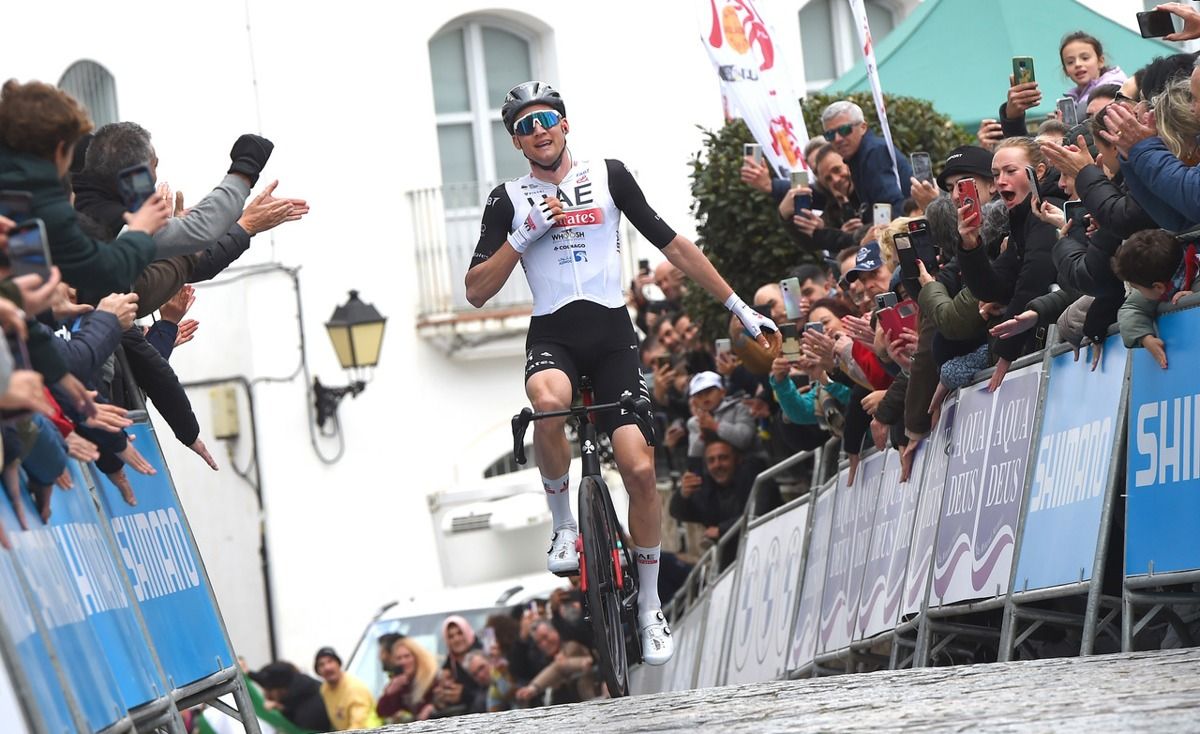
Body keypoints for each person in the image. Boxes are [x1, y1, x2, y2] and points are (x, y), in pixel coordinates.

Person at [464, 81, 777, 666]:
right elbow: (477, 290)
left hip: (612, 337)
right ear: (516, 140)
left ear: (564, 124)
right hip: (553, 333)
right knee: (548, 403)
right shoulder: (507, 199)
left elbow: (673, 244)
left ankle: (650, 606)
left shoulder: (609, 176)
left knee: (637, 466)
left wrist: (739, 305)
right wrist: (521, 235)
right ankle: (564, 526)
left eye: (547, 119)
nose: (539, 131)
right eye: (526, 126)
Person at [1113, 228, 1199, 369]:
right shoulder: (1159, 286)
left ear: (1158, 287)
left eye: (1138, 288)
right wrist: (1145, 338)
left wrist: (1194, 299)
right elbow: (1131, 308)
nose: (1137, 292)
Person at [669, 438, 779, 541]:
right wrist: (683, 494)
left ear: (737, 459)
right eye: (711, 460)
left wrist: (722, 530)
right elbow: (679, 513)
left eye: (723, 458)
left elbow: (761, 511)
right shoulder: (707, 487)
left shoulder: (754, 474)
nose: (717, 465)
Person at [819, 100, 912, 214]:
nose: (837, 139)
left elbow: (890, 207)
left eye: (844, 130)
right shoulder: (857, 157)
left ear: (863, 127)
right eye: (830, 135)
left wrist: (872, 230)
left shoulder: (873, 152)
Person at [514, 620, 597, 705]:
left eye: (545, 637)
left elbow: (559, 666)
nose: (544, 644)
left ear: (555, 631)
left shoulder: (572, 643)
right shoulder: (541, 660)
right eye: (539, 642)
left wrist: (533, 688)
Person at [685, 371, 757, 460]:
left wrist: (716, 426)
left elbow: (744, 440)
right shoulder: (694, 422)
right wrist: (702, 436)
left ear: (722, 392)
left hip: (747, 461)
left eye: (709, 391)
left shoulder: (739, 408)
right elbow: (696, 456)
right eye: (699, 395)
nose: (704, 397)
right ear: (694, 401)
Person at [251, 661, 333, 733]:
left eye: (268, 692)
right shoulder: (303, 686)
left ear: (280, 690)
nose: (267, 696)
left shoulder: (308, 700)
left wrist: (281, 708)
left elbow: (303, 722)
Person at [1059, 31, 1126, 119]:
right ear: (1065, 70)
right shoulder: (1072, 100)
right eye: (1070, 62)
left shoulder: (1116, 88)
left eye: (1085, 58)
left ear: (1100, 61)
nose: (1077, 64)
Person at [313, 647, 379, 731]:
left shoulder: (354, 688)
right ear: (318, 671)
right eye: (321, 665)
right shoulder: (324, 689)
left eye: (330, 661)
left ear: (338, 664)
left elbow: (358, 726)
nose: (327, 667)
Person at [376, 636, 438, 723]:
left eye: (407, 656)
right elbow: (381, 712)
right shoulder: (399, 684)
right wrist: (390, 692)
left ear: (417, 657)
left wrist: (432, 708)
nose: (403, 662)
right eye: (399, 658)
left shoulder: (433, 679)